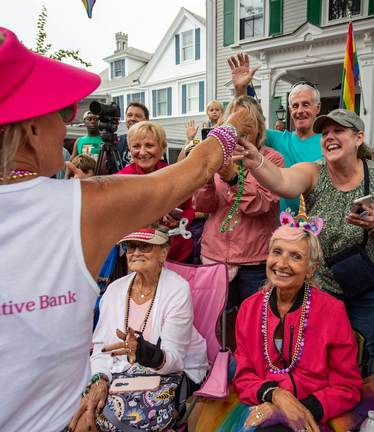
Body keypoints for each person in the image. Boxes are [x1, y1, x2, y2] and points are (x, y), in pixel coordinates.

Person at [0, 25, 253, 431]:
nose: (68, 124)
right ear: (27, 129)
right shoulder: (78, 208)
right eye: (62, 111)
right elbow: (196, 168)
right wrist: (234, 118)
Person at [233, 108, 374, 376]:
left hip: (367, 282)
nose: (329, 137)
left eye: (338, 131)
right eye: (325, 133)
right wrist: (256, 160)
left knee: (361, 346)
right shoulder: (314, 170)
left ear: (358, 138)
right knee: (321, 345)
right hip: (324, 280)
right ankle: (323, 395)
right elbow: (282, 180)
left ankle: (353, 399)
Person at [195, 224, 362, 432]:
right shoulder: (250, 308)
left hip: (316, 407)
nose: (282, 264)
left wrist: (296, 410)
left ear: (312, 269)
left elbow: (347, 385)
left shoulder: (332, 311)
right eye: (277, 252)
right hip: (262, 398)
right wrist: (276, 396)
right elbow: (244, 373)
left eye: (296, 257)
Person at [69, 224, 207, 432]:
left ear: (163, 253)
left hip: (163, 374)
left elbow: (174, 359)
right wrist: (99, 380)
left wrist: (142, 352)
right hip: (117, 374)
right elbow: (100, 348)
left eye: (145, 246)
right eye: (131, 246)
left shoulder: (177, 289)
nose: (135, 253)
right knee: (81, 421)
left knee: (131, 422)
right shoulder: (114, 290)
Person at [194, 95, 285, 310]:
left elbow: (261, 205)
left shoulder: (272, 159)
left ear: (259, 128)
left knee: (256, 321)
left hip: (255, 261)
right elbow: (203, 207)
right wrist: (206, 180)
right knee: (219, 320)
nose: (240, 132)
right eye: (234, 126)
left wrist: (233, 178)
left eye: (248, 125)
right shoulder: (218, 157)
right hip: (215, 256)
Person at [229, 54, 323, 216]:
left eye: (306, 104)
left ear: (318, 108)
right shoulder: (277, 139)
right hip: (282, 230)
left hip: (318, 229)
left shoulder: (329, 143)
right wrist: (240, 90)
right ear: (289, 110)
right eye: (295, 106)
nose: (300, 110)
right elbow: (248, 124)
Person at [114, 121, 196, 263]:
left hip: (177, 254)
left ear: (162, 148)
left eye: (150, 145)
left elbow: (189, 207)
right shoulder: (119, 181)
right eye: (136, 146)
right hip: (141, 256)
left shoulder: (175, 176)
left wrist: (182, 223)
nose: (143, 152)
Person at [118, 101, 151, 167]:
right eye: (129, 115)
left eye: (138, 116)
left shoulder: (154, 141)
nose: (132, 119)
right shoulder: (117, 141)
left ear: (147, 120)